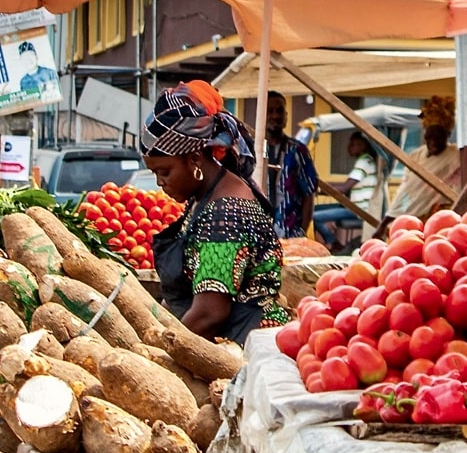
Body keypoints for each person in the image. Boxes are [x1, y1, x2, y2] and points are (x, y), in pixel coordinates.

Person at [139, 80, 281, 345]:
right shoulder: (206, 196)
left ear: (194, 158)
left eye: (164, 171)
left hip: (242, 349)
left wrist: (158, 348)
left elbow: (209, 313)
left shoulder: (225, 214)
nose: (160, 182)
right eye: (154, 172)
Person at [387, 95, 461, 220]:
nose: (433, 142)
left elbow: (458, 190)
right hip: (412, 217)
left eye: (438, 137)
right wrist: (388, 219)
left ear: (448, 135)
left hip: (441, 216)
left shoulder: (456, 155)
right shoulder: (416, 155)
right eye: (429, 137)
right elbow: (406, 188)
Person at [309, 133, 379, 252]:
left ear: (364, 147)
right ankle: (334, 243)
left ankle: (333, 243)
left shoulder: (364, 162)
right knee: (313, 208)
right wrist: (320, 186)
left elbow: (345, 188)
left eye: (355, 144)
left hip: (359, 210)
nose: (350, 147)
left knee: (312, 216)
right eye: (350, 144)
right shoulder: (365, 161)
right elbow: (345, 184)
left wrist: (320, 189)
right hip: (353, 206)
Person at [263, 93, 318, 241]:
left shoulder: (298, 151)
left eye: (279, 111)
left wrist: (301, 233)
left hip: (290, 235)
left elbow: (309, 193)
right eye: (270, 111)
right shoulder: (251, 150)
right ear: (261, 114)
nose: (275, 116)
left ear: (286, 116)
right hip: (258, 237)